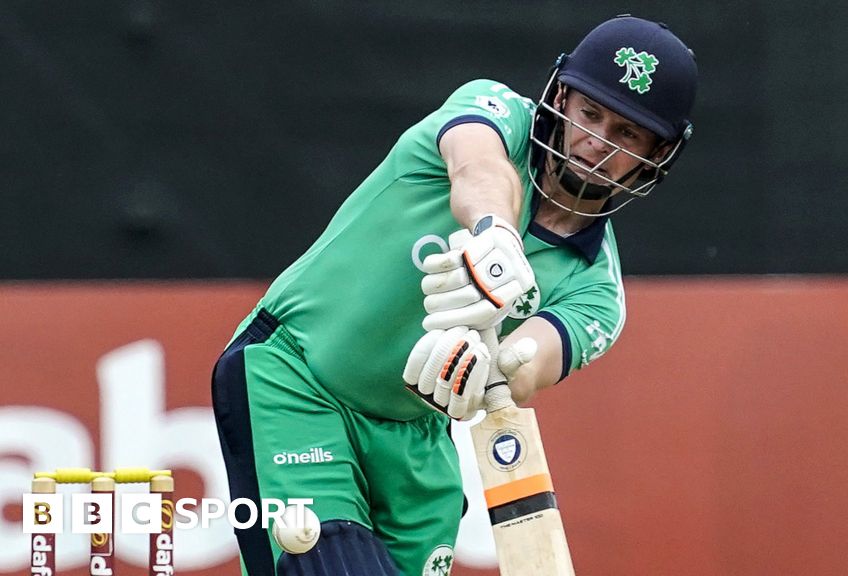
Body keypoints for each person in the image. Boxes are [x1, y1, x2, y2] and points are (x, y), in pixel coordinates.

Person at [211, 14, 697, 576]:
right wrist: (495, 234)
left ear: (656, 155)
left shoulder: (599, 292)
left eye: (627, 134)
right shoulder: (495, 111)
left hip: (418, 445)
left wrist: (486, 363)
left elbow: (528, 362)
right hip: (297, 379)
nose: (596, 143)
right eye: (590, 113)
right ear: (561, 98)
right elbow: (478, 168)